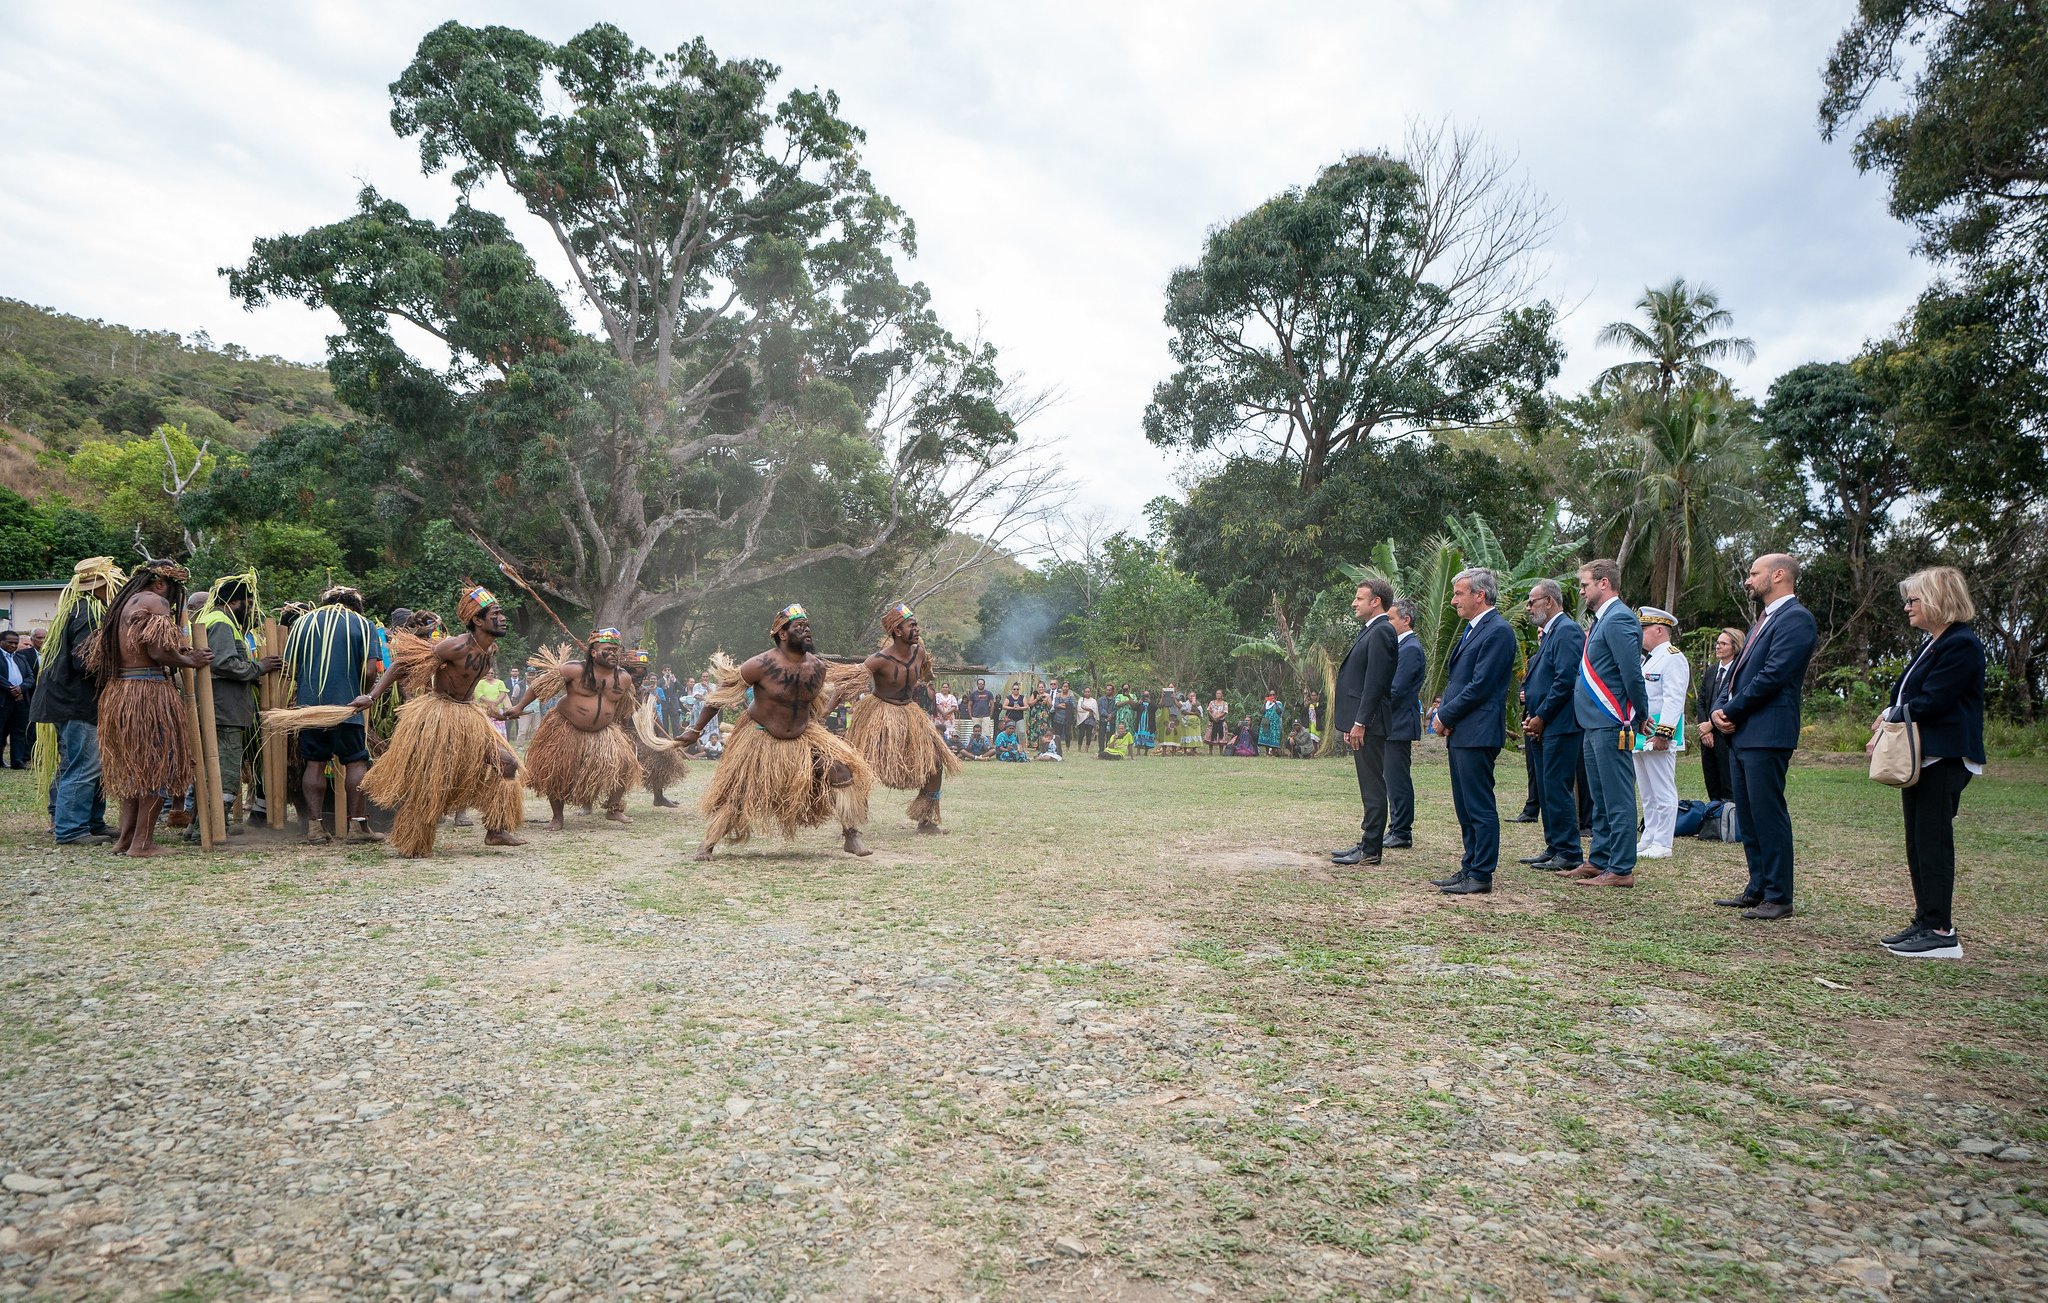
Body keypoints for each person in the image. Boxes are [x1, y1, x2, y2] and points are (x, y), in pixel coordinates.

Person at [678, 604, 874, 860]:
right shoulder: (760, 664)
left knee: (840, 771)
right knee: (740, 789)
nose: (806, 630)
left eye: (807, 626)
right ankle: (708, 842)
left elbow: (814, 704)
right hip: (761, 736)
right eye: (799, 626)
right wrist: (695, 729)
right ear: (782, 634)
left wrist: (822, 718)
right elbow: (720, 697)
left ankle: (851, 834)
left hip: (804, 735)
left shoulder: (817, 667)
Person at [354, 585, 527, 858]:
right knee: (431, 780)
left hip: (468, 716)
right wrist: (372, 696)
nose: (503, 618)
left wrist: (492, 710)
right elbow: (401, 664)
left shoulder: (490, 649)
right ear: (478, 620)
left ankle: (496, 830)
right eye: (496, 614)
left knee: (506, 762)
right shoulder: (455, 646)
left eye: (501, 613)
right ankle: (414, 842)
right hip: (440, 716)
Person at [1870, 566, 1984, 960]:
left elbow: (1935, 700)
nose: (1907, 607)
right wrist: (1893, 714)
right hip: (1922, 757)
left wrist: (1891, 715)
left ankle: (1940, 932)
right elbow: (1909, 695)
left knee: (1933, 841)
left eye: (1913, 600)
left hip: (1945, 756)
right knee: (1918, 841)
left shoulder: (1961, 644)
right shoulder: (1935, 643)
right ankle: (1925, 919)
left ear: (1937, 600)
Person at [1711, 553, 1818, 920]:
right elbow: (1738, 673)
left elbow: (1773, 675)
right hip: (1744, 733)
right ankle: (1758, 887)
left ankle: (1779, 895)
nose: (1748, 580)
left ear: (1778, 575)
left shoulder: (1796, 619)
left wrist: (1732, 710)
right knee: (1750, 815)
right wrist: (1719, 708)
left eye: (1754, 573)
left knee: (1768, 813)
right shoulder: (1763, 619)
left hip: (1767, 732)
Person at [88, 560, 214, 858]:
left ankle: (126, 840)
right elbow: (157, 650)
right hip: (148, 692)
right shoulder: (155, 601)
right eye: (174, 591)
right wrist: (189, 660)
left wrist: (179, 651)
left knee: (135, 769)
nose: (173, 599)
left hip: (120, 690)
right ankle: (142, 843)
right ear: (160, 583)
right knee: (157, 768)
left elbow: (142, 647)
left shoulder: (122, 604)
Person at [499, 628, 643, 829]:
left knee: (626, 764)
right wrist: (519, 706)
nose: (613, 653)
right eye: (608, 649)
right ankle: (557, 817)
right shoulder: (574, 669)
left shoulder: (624, 678)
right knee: (557, 769)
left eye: (615, 650)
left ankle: (614, 809)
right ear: (593, 652)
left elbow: (623, 706)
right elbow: (539, 686)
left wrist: (621, 726)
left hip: (604, 732)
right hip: (566, 726)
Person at [1429, 568, 1517, 896]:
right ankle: (1469, 866)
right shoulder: (1473, 629)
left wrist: (1444, 714)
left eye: (1459, 594)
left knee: (1478, 805)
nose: (1453, 600)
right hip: (1463, 730)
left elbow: (1481, 686)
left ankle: (1481, 873)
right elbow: (1460, 680)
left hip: (1478, 730)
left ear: (1480, 595)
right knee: (1465, 806)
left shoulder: (1498, 631)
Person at [1565, 560, 1648, 889]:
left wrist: (1641, 714)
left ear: (1603, 583)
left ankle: (1622, 867)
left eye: (1585, 585)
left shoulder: (1619, 618)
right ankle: (1599, 859)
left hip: (1612, 720)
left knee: (1617, 797)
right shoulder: (1603, 620)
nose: (1581, 592)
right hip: (1593, 720)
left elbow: (1631, 673)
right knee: (1599, 796)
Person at [29, 557, 123, 845]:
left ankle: (92, 822)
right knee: (84, 766)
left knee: (88, 764)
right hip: (77, 702)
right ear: (102, 586)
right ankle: (71, 829)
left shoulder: (78, 608)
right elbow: (85, 662)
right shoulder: (89, 613)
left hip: (71, 701)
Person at [845, 602, 961, 833]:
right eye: (912, 625)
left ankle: (926, 819)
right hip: (879, 714)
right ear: (897, 631)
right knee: (858, 764)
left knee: (935, 762)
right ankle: (852, 821)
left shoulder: (919, 652)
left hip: (909, 713)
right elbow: (848, 684)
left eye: (917, 625)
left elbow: (926, 671)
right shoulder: (878, 659)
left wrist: (928, 674)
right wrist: (823, 711)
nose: (917, 629)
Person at [284, 587, 380, 844]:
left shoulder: (303, 623)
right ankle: (357, 827)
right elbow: (370, 671)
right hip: (348, 706)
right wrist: (363, 694)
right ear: (355, 607)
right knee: (356, 761)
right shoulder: (363, 624)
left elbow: (290, 668)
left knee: (314, 762)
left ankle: (315, 828)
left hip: (310, 708)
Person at [199, 576, 283, 834]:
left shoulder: (212, 619)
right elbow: (223, 664)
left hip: (218, 704)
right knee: (225, 767)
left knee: (214, 767)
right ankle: (211, 826)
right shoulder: (222, 623)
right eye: (248, 603)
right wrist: (259, 667)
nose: (251, 610)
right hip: (224, 707)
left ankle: (202, 825)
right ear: (234, 602)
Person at [1515, 579, 1585, 872]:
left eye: (1532, 601)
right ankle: (1554, 845)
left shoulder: (1567, 630)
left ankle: (1569, 851)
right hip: (1543, 723)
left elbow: (1565, 679)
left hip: (1560, 723)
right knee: (1546, 788)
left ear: (1550, 601)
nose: (1528, 607)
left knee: (1557, 786)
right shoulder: (1551, 632)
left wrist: (1542, 715)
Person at [1331, 578, 1396, 867]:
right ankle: (1367, 842)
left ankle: (1371, 849)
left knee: (1373, 786)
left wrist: (1360, 722)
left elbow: (1375, 683)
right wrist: (1351, 722)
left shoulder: (1382, 631)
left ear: (1376, 601)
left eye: (1359, 598)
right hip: (1362, 721)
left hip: (1371, 722)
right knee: (1368, 784)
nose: (1354, 603)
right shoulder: (1371, 629)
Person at [1632, 607, 1690, 860]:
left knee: (1662, 789)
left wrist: (1664, 735)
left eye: (1644, 629)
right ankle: (1650, 836)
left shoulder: (1672, 657)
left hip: (1659, 733)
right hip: (1643, 732)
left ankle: (1663, 842)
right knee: (1647, 791)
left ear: (1659, 630)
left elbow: (1673, 699)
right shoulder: (1648, 659)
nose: (1640, 634)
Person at [1384, 600, 1426, 849]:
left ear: (1406, 620)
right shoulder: (1401, 646)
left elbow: (1397, 689)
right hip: (1393, 723)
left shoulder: (1410, 648)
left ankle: (1401, 831)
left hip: (1398, 723)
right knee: (1391, 778)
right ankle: (1396, 827)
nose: (1387, 624)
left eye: (1390, 619)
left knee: (1397, 779)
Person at [620, 649, 686, 809]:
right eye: (635, 677)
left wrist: (663, 739)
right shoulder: (618, 691)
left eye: (642, 677)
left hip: (643, 736)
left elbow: (654, 716)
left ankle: (659, 797)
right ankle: (607, 802)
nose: (639, 681)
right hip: (621, 735)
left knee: (660, 756)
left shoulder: (644, 693)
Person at [1693, 627, 1742, 803]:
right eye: (1717, 643)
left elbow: (1735, 702)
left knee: (1728, 785)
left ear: (1735, 647)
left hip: (1727, 735)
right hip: (1707, 737)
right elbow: (1701, 701)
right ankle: (1714, 814)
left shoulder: (1739, 671)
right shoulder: (1711, 671)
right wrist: (1704, 730)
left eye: (1723, 644)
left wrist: (1711, 725)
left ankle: (1729, 816)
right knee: (1711, 782)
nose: (1718, 647)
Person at [1, 629, 33, 767]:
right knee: (1, 731)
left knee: (19, 731)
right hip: (3, 700)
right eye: (10, 642)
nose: (13, 645)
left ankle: (17, 761)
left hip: (20, 700)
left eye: (16, 643)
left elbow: (30, 677)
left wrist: (21, 688)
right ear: (1, 641)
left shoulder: (20, 658)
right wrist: (10, 688)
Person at [1207, 689, 1229, 755]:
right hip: (1212, 722)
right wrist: (1213, 717)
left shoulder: (1225, 703)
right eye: (1217, 693)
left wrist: (1218, 717)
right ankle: (1210, 752)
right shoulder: (1212, 702)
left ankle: (1221, 752)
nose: (1218, 695)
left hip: (1221, 722)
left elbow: (1225, 712)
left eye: (1219, 693)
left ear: (1222, 695)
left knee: (1221, 736)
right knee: (1210, 736)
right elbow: (1209, 710)